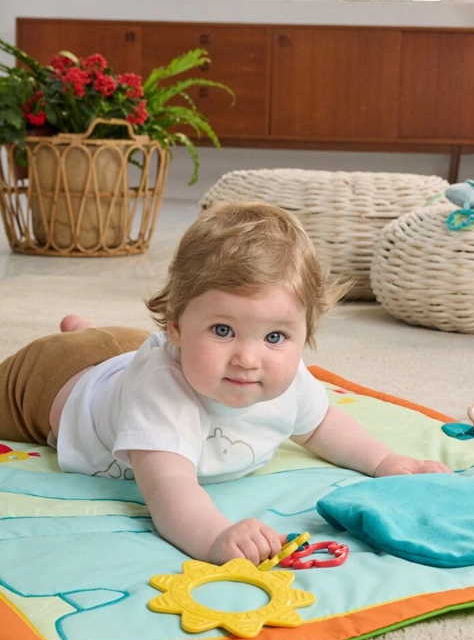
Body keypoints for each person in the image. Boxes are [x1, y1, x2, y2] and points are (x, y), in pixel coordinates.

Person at [0, 201, 450, 566]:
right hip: (52, 380)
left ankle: (88, 330)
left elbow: (321, 424)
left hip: (129, 353)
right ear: (176, 325)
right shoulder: (162, 395)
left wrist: (385, 460)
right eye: (223, 330)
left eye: (275, 337)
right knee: (91, 357)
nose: (248, 359)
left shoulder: (284, 376)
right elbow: (169, 492)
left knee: (126, 347)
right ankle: (80, 336)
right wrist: (216, 536)